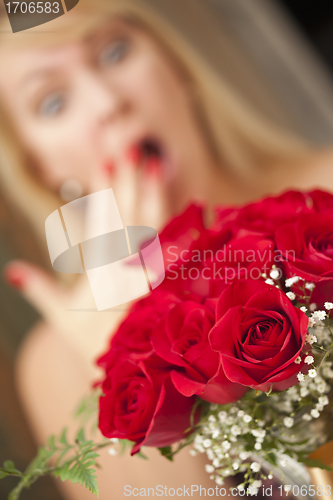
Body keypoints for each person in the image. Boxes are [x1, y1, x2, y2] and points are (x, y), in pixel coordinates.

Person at [0, 0, 333, 498]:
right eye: (53, 102)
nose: (108, 102)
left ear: (177, 67)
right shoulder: (56, 361)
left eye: (114, 51)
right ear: (40, 166)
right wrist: (126, 357)